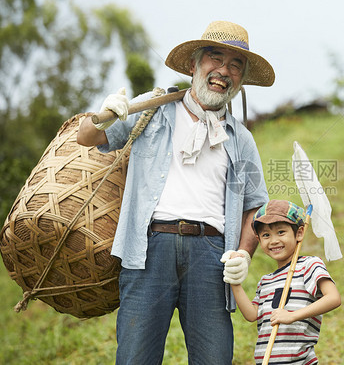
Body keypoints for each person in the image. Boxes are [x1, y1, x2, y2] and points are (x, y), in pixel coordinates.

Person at [76, 20, 275, 364]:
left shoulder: (240, 138)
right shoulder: (152, 111)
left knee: (214, 357)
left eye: (235, 65)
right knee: (136, 356)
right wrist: (103, 116)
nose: (223, 71)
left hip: (212, 255)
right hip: (149, 249)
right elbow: (86, 137)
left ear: (241, 80)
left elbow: (255, 207)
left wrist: (243, 254)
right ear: (194, 64)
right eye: (215, 58)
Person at [228, 200, 341, 364]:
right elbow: (252, 315)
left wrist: (292, 316)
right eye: (266, 235)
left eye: (281, 232)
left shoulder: (308, 265)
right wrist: (235, 282)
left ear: (299, 233)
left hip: (299, 361)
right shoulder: (265, 281)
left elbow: (333, 298)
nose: (273, 240)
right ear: (259, 240)